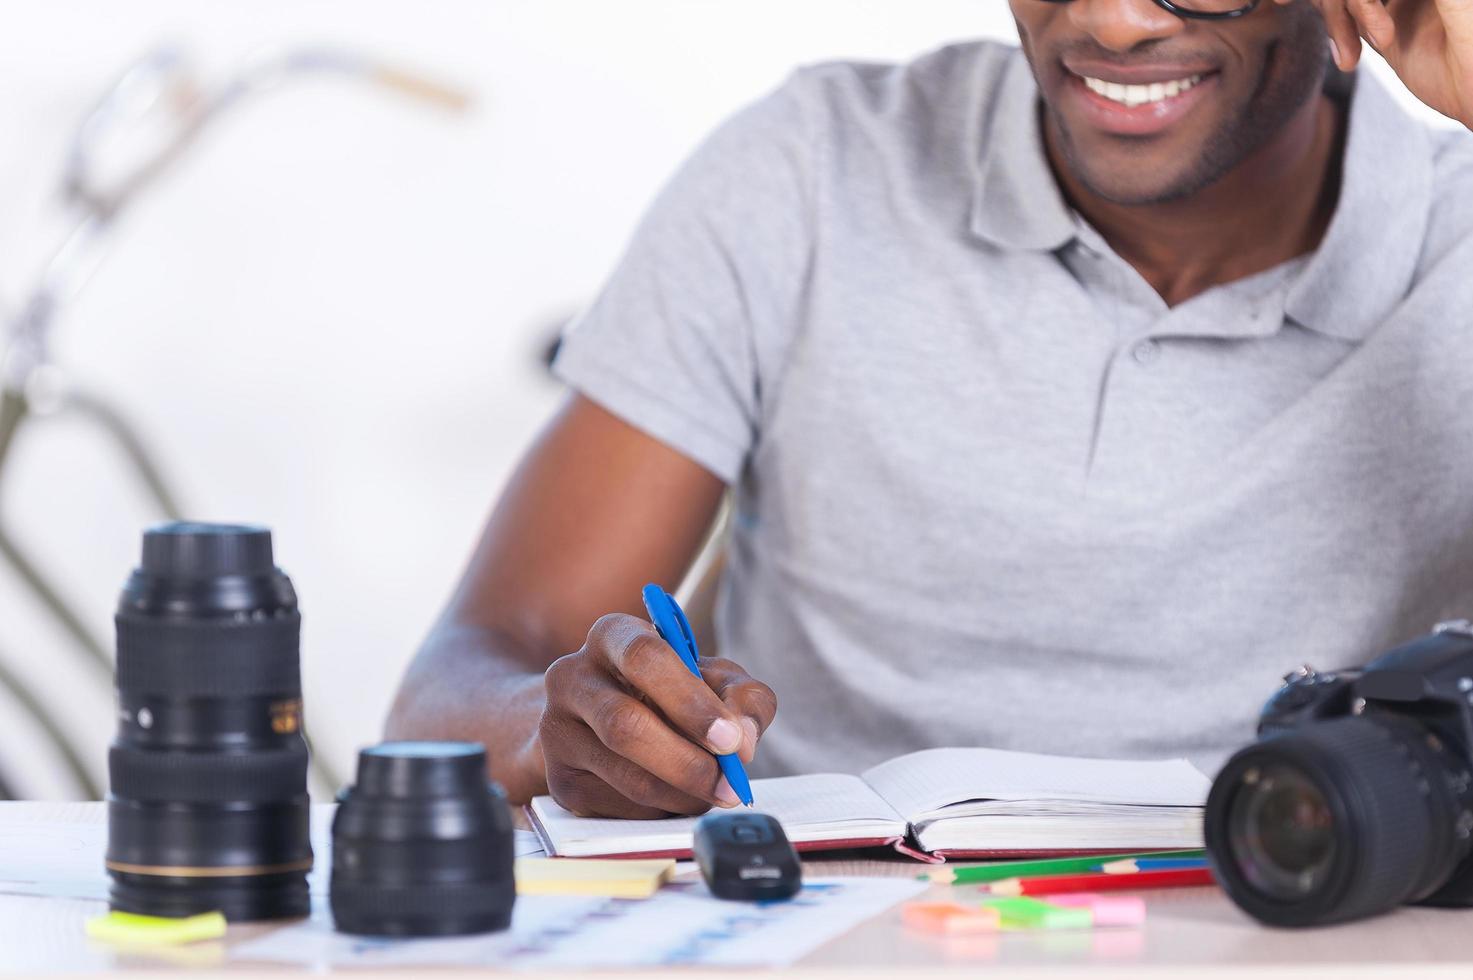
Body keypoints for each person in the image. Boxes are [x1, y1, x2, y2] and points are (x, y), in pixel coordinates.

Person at [386, 0, 1473, 818]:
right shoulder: (810, 170)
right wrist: (563, 724)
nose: (1107, 20)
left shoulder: (1455, 233)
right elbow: (458, 681)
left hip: (1302, 932)